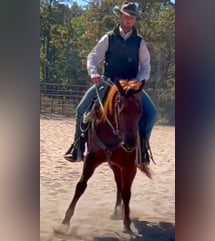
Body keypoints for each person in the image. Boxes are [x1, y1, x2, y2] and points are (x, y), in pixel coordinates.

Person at [64, 1, 157, 166]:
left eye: (132, 17)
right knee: (81, 110)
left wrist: (139, 82)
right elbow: (92, 57)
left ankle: (142, 149)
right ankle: (78, 147)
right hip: (107, 82)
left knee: (151, 114)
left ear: (135, 20)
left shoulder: (139, 42)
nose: (129, 20)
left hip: (130, 87)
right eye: (126, 16)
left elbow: (146, 66)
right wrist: (93, 72)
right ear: (121, 16)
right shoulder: (108, 38)